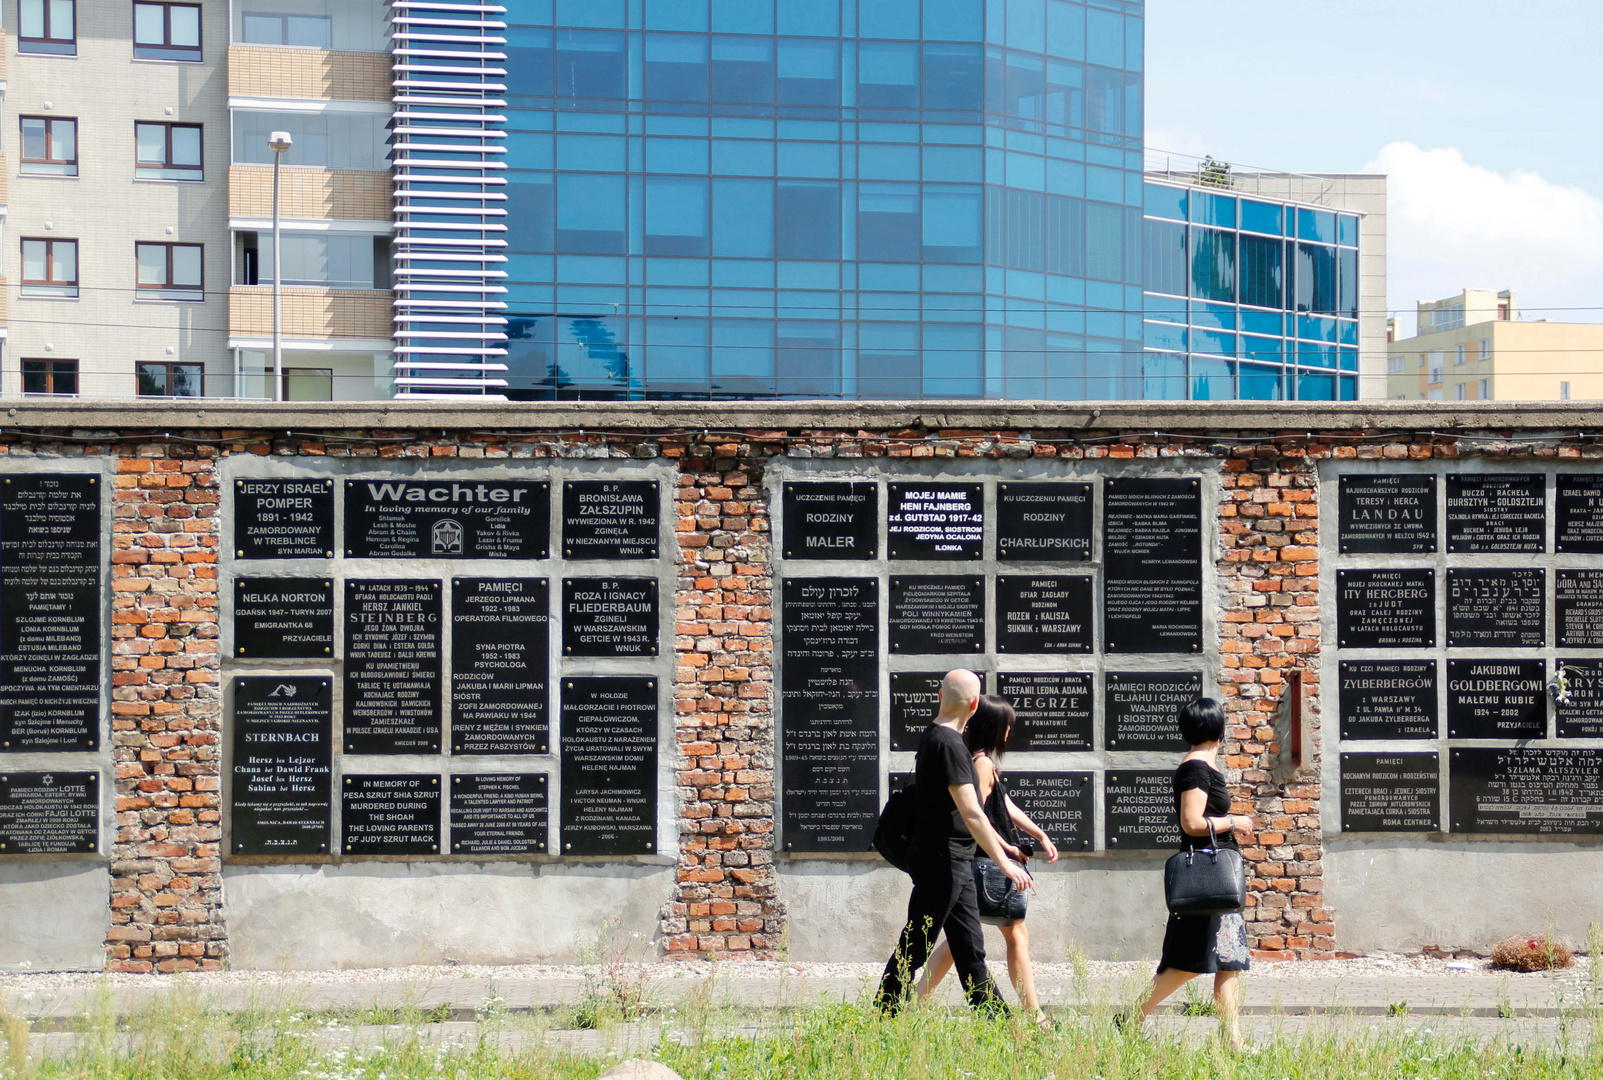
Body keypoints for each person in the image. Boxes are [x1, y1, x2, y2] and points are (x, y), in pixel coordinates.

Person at [875, 670, 1032, 1014]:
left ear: (940, 695)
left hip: (951, 861)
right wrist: (1004, 863)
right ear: (975, 704)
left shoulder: (935, 737)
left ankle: (1000, 1025)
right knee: (916, 944)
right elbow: (972, 812)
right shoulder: (949, 745)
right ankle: (883, 1015)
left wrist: (1003, 849)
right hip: (943, 862)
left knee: (969, 950)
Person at [914, 694, 1060, 1029]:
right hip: (982, 861)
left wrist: (1039, 834)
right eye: (1007, 724)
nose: (1010, 731)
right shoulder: (979, 763)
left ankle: (917, 1003)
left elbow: (1003, 804)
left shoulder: (979, 760)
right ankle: (1034, 1015)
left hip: (979, 858)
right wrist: (1006, 850)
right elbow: (975, 815)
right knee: (1008, 936)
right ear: (994, 727)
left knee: (961, 940)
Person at [1124, 697, 1254, 1049]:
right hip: (1207, 879)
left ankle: (1233, 1042)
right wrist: (1234, 821)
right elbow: (1191, 822)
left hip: (1219, 881)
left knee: (1229, 960)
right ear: (1219, 730)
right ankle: (1131, 1016)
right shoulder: (1196, 769)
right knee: (1188, 961)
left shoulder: (1203, 766)